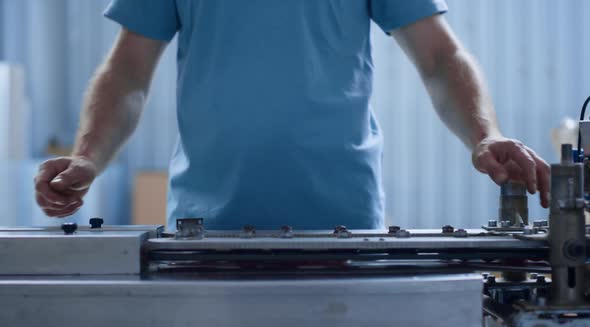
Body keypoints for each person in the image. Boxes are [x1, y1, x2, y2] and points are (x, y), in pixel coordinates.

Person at [33, 0, 550, 230]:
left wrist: (485, 135)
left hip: (342, 228)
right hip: (205, 234)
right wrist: (87, 158)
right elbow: (127, 73)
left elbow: (440, 58)